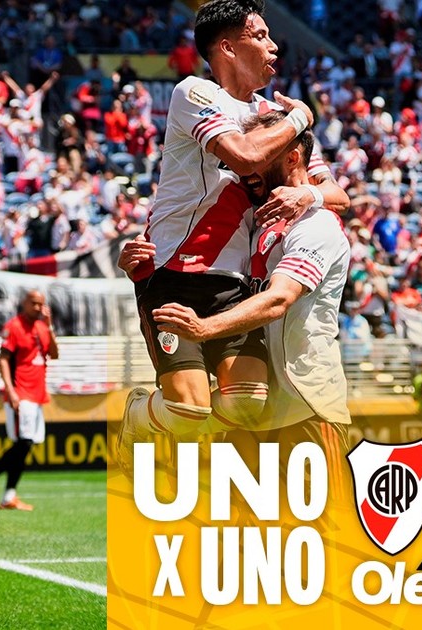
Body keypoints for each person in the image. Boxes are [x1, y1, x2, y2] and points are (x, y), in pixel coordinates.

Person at [117, 0, 348, 467]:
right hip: (175, 272)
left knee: (247, 403)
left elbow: (337, 194)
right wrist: (301, 118)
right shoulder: (195, 93)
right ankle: (140, 416)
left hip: (235, 285)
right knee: (189, 409)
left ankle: (179, 436)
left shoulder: (273, 114)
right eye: (260, 35)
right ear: (227, 47)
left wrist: (307, 195)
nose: (274, 46)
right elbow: (243, 156)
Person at [131, 111, 351, 489]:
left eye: (261, 154)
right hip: (254, 409)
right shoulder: (257, 220)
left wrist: (205, 328)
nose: (246, 163)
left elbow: (279, 299)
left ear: (292, 159)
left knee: (323, 522)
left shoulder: (316, 225)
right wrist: (141, 259)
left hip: (306, 405)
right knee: (240, 524)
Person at [0, 290, 57, 511]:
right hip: (21, 391)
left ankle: (6, 493)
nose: (37, 307)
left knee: (27, 444)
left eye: (40, 304)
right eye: (33, 303)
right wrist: (11, 391)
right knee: (24, 441)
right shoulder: (14, 326)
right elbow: (3, 359)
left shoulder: (42, 327)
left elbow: (54, 354)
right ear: (24, 303)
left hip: (37, 393)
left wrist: (50, 326)